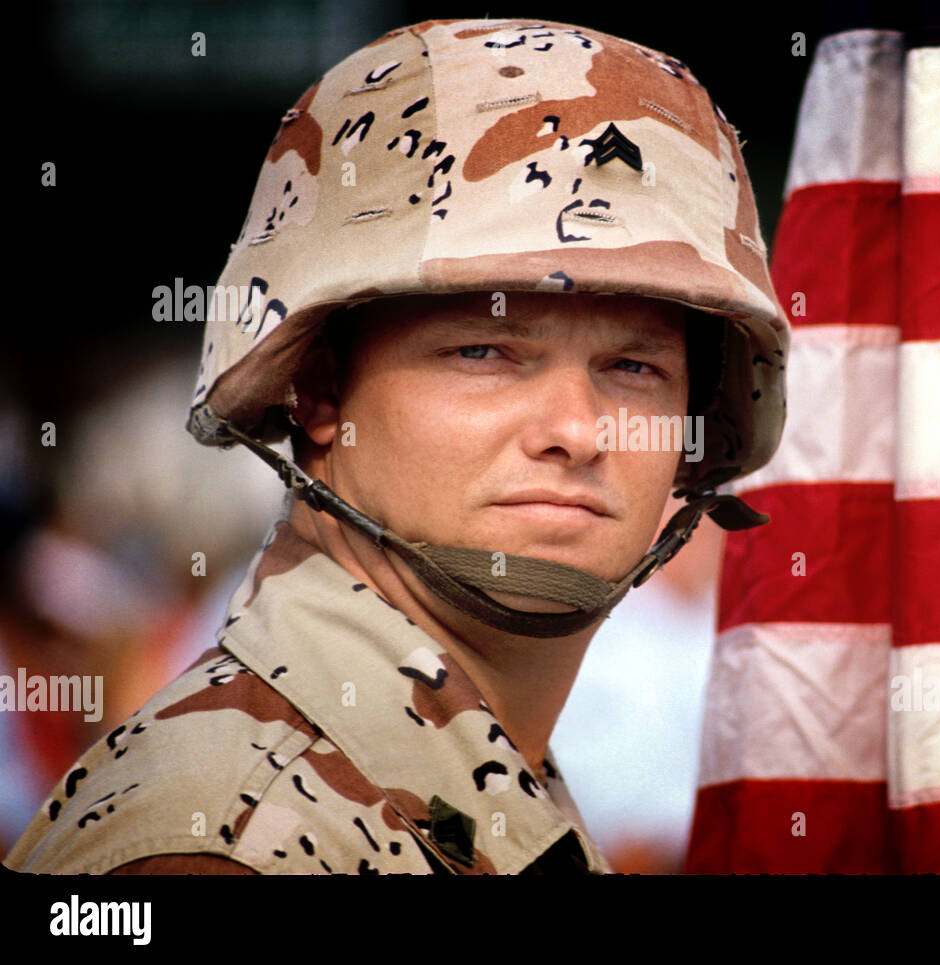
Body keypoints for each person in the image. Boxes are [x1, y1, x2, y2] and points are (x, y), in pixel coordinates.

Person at [3, 17, 788, 874]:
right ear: (319, 390)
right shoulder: (225, 842)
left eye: (634, 366)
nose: (576, 430)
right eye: (484, 351)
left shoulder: (474, 790)